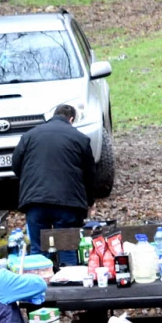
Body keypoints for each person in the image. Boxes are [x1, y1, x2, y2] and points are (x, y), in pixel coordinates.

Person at [11, 103, 96, 247]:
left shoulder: (29, 136)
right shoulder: (80, 138)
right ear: (71, 120)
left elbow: (16, 164)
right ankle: (67, 267)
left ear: (53, 116)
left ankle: (41, 267)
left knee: (38, 250)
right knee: (66, 248)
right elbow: (89, 174)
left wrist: (30, 181)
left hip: (35, 202)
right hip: (67, 203)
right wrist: (89, 201)